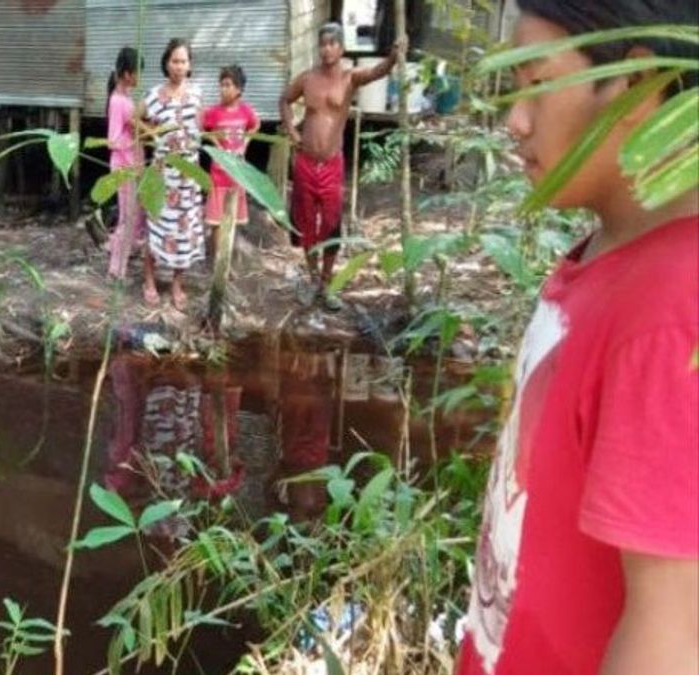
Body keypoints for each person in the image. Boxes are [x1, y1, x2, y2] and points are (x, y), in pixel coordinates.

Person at [455, 2, 698, 674]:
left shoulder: (671, 313)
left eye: (535, 81)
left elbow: (672, 637)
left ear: (633, 83)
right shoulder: (609, 258)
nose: (515, 121)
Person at [279, 23, 403, 310]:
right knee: (306, 223)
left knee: (331, 225)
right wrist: (292, 132)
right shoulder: (307, 79)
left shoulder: (350, 78)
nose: (327, 49)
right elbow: (284, 100)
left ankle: (328, 283)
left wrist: (394, 56)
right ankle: (313, 281)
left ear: (342, 48)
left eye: (333, 44)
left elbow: (378, 72)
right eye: (323, 44)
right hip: (305, 163)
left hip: (332, 164)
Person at [140, 38, 205, 310]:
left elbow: (199, 130)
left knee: (184, 232)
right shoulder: (155, 96)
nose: (179, 66)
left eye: (184, 61)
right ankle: (149, 281)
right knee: (157, 228)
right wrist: (152, 134)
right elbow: (134, 118)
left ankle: (177, 284)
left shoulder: (197, 94)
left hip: (188, 177)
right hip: (162, 175)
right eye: (175, 61)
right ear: (166, 64)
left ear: (189, 65)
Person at [201, 64, 260, 257]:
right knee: (217, 221)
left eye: (228, 85)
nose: (223, 89)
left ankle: (226, 260)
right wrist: (216, 145)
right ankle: (219, 260)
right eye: (221, 84)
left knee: (232, 218)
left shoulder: (245, 111)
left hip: (237, 175)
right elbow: (203, 128)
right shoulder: (214, 112)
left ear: (239, 89)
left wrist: (246, 143)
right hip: (218, 174)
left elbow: (255, 125)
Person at [105, 46, 146, 281]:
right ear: (128, 74)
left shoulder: (127, 98)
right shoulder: (118, 100)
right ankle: (115, 271)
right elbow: (112, 141)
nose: (139, 77)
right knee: (127, 218)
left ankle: (121, 253)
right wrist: (132, 137)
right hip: (124, 167)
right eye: (138, 72)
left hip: (134, 165)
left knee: (136, 216)